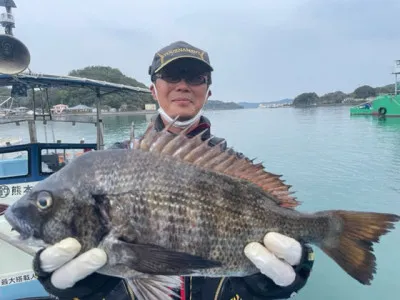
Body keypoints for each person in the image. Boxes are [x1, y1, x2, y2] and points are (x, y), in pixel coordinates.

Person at [32, 41, 315, 300]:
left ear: (208, 92)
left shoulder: (234, 170)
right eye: (171, 75)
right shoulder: (109, 165)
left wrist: (268, 284)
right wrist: (83, 288)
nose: (182, 85)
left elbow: (284, 218)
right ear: (153, 89)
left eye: (195, 77)